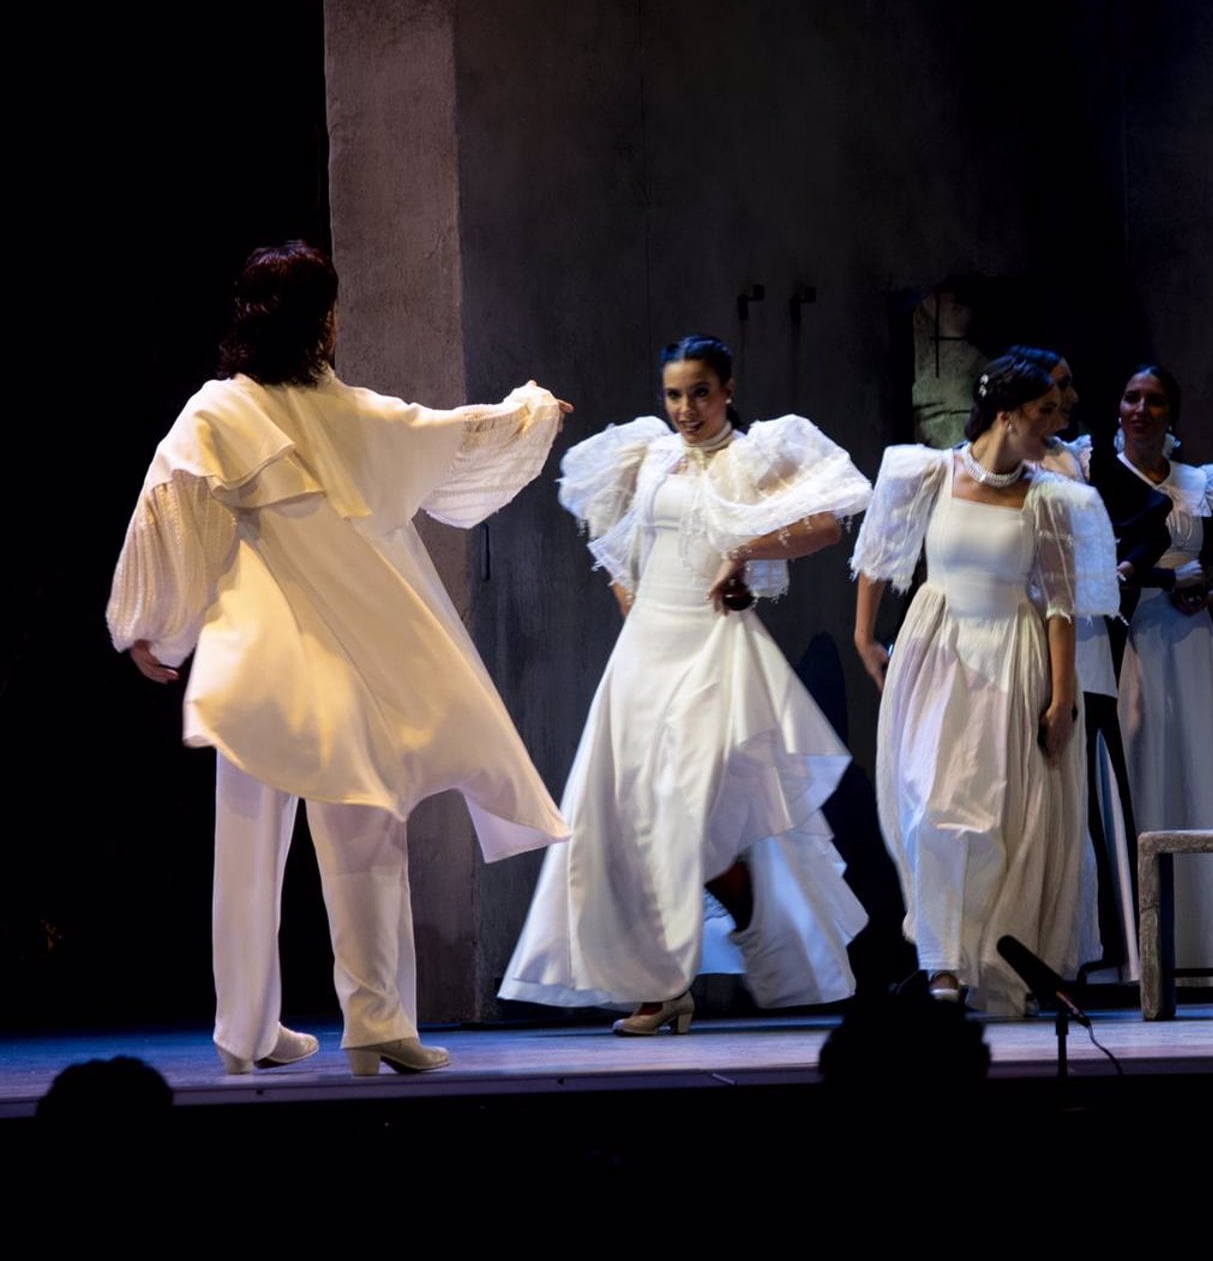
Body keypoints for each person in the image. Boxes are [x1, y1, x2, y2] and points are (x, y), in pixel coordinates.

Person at [107, 241, 572, 1076]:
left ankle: (248, 1033)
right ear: (321, 320)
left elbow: (176, 519)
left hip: (261, 663)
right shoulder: (342, 412)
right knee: (365, 827)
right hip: (343, 656)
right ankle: (376, 1023)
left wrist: (155, 629)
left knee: (250, 847)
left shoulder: (221, 412)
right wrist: (535, 411)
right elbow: (454, 435)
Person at [500, 336, 872, 1033]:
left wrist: (744, 554)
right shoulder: (650, 455)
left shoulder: (754, 456)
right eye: (674, 393)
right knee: (629, 820)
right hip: (646, 650)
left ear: (727, 388)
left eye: (699, 392)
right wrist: (627, 594)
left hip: (713, 648)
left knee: (685, 815)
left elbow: (825, 525)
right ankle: (663, 986)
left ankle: (743, 909)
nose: (685, 408)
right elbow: (612, 539)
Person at [852, 353, 1118, 1013]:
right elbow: (878, 558)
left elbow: (1060, 603)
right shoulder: (928, 474)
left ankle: (1002, 962)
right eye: (1043, 415)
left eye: (1058, 415)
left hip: (1014, 652)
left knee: (1003, 814)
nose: (1053, 430)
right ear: (1007, 414)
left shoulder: (1050, 495)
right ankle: (943, 959)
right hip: (939, 647)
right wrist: (864, 635)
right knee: (933, 807)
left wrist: (1062, 696)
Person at [1103, 365, 1213, 983]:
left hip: (1193, 645)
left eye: (1154, 400)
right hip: (1127, 641)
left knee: (1204, 773)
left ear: (1173, 413)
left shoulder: (1203, 484)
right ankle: (1140, 949)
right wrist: (1161, 580)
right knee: (1140, 765)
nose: (1141, 409)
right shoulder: (1096, 476)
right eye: (1131, 397)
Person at [1021, 346, 1170, 978]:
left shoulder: (1077, 460)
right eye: (1052, 393)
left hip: (1079, 640)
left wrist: (1120, 572)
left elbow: (1152, 518)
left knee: (1086, 788)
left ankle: (1098, 952)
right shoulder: (987, 466)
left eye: (1068, 391)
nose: (1065, 403)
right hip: (1015, 634)